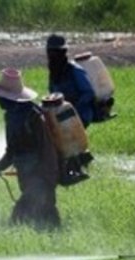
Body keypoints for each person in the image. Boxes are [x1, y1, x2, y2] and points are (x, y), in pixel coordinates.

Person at [0, 68, 60, 230]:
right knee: (47, 214)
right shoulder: (18, 114)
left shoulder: (27, 117)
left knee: (19, 218)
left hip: (41, 175)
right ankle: (57, 236)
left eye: (0, 96)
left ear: (9, 99)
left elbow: (19, 151)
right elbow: (13, 151)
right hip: (35, 174)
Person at [46, 34, 96, 184]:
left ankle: (73, 171)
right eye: (50, 52)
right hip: (62, 114)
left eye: (56, 52)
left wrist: (72, 109)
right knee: (56, 138)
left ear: (63, 53)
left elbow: (89, 92)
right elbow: (52, 93)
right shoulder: (54, 72)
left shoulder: (75, 70)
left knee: (65, 140)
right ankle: (77, 163)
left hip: (80, 113)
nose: (53, 55)